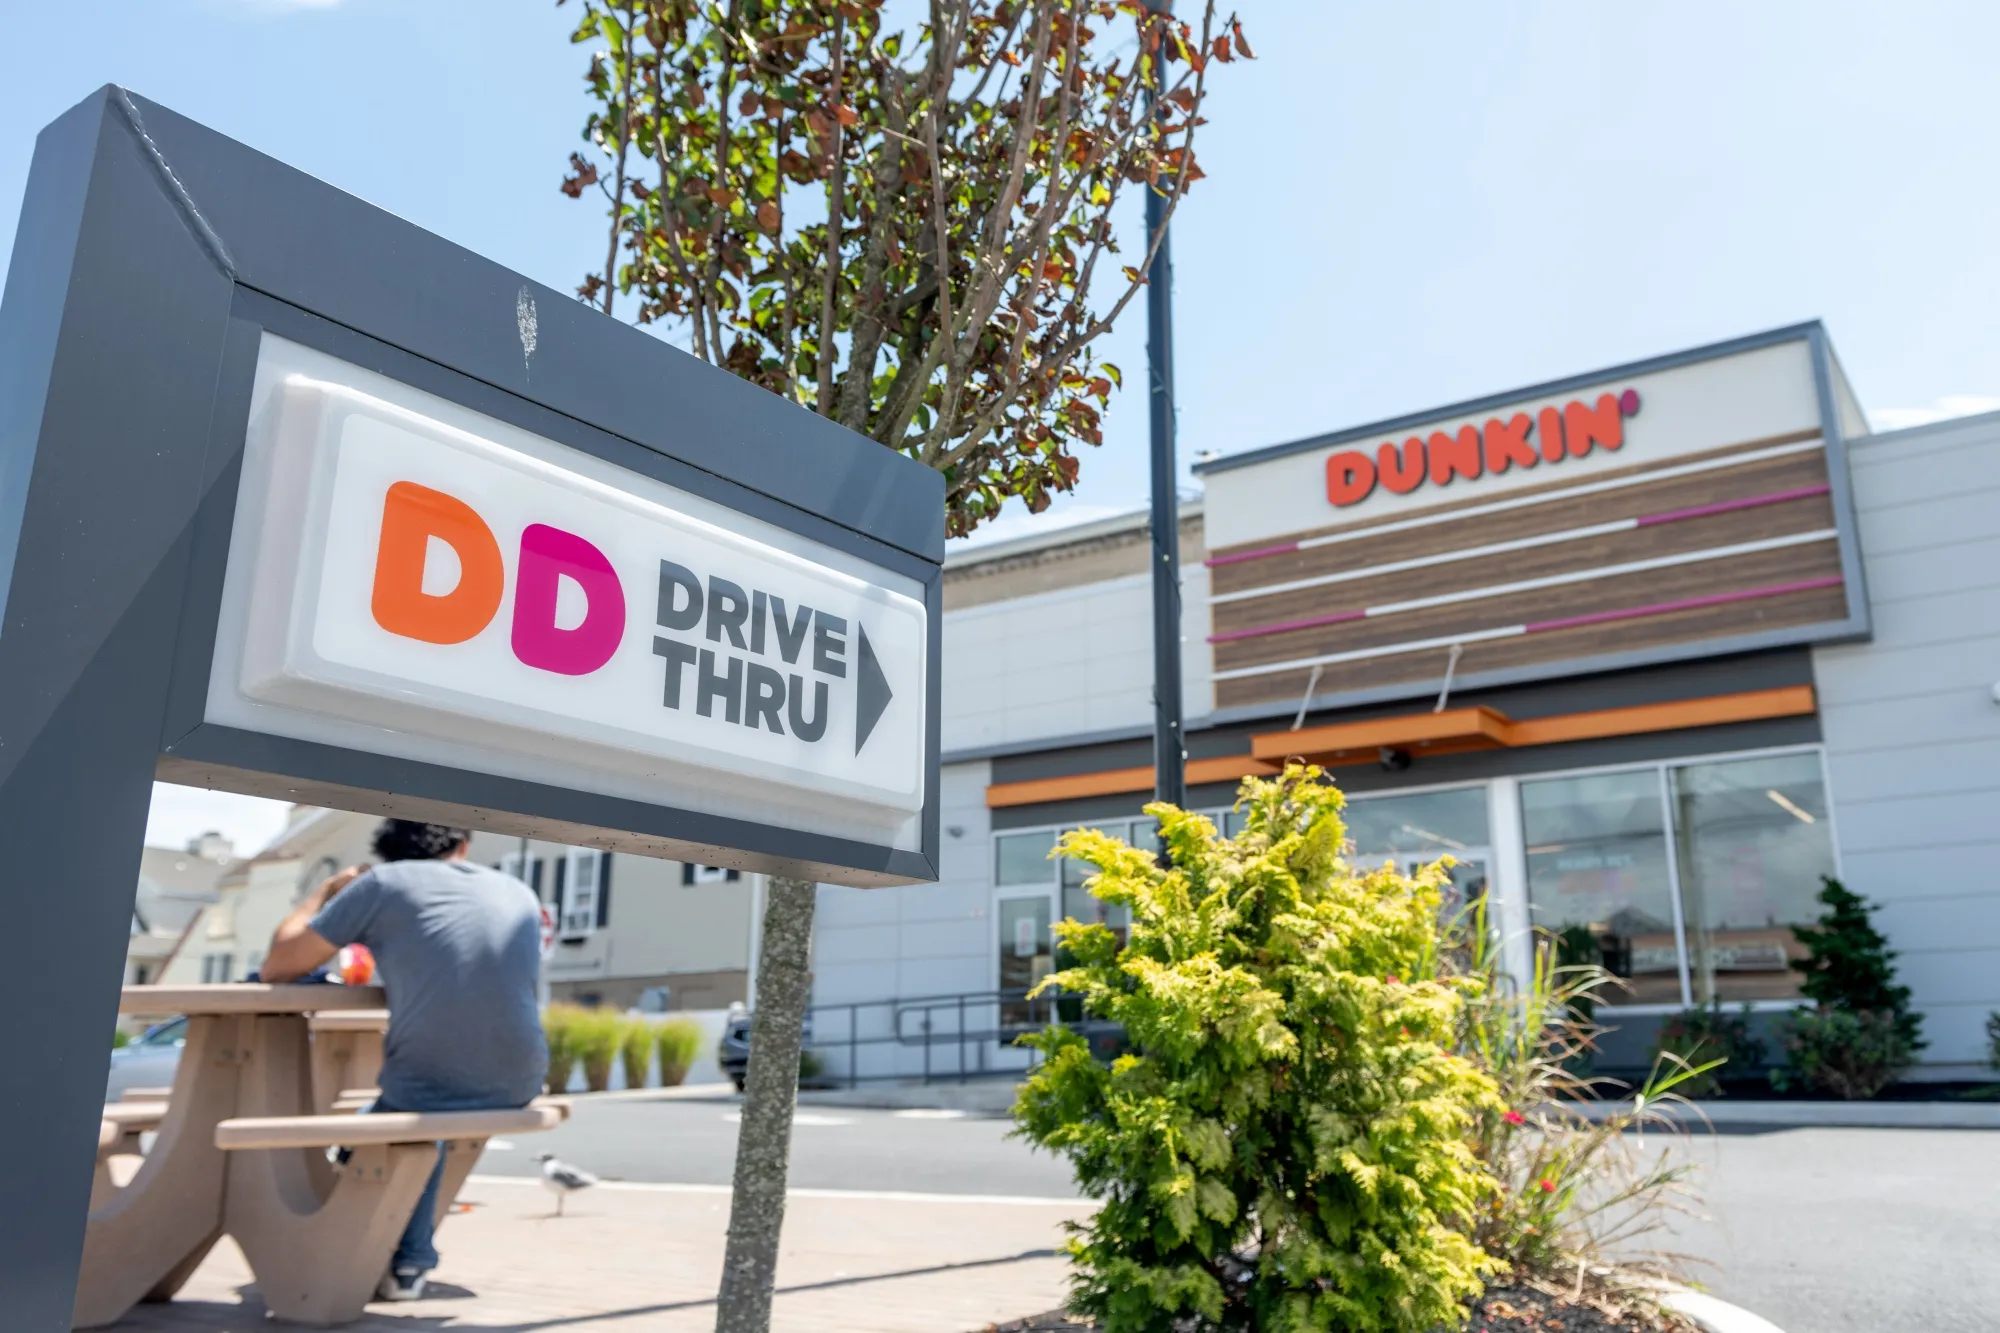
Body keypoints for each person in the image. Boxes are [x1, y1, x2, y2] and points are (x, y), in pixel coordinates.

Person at [262, 819, 548, 1302]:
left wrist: (327, 893)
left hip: (426, 1082)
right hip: (524, 1074)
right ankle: (400, 1241)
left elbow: (279, 965)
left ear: (390, 852)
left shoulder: (383, 883)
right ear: (464, 844)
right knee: (412, 1115)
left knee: (413, 1110)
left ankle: (409, 1258)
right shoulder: (515, 888)